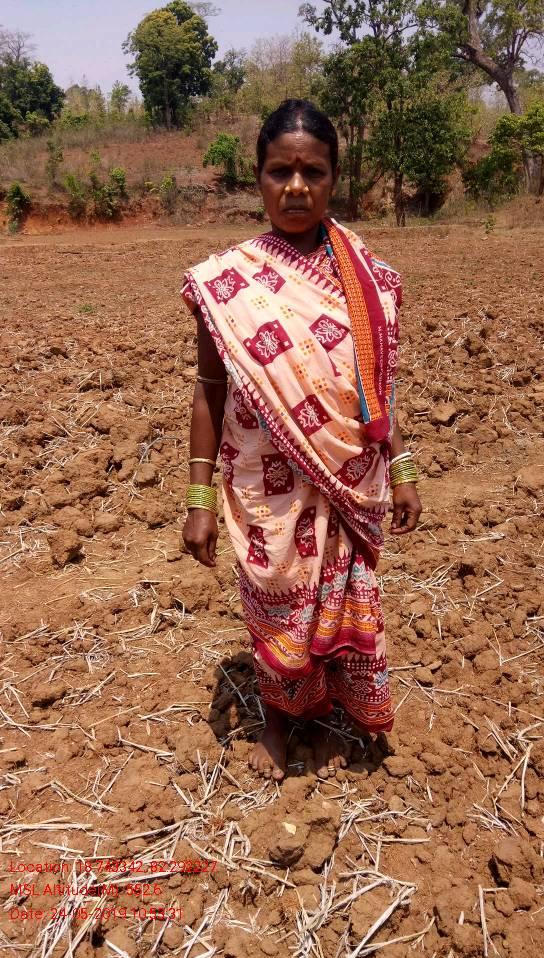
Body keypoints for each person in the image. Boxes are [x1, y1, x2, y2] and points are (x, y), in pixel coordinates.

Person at [181, 99, 422, 782]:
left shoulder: (366, 280)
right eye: (279, 171)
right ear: (258, 177)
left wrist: (403, 466)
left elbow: (376, 388)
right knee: (275, 603)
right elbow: (208, 389)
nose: (295, 187)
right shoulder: (226, 284)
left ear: (334, 179)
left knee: (339, 604)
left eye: (312, 172)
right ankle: (279, 719)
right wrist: (198, 498)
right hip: (265, 488)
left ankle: (325, 715)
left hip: (348, 477)